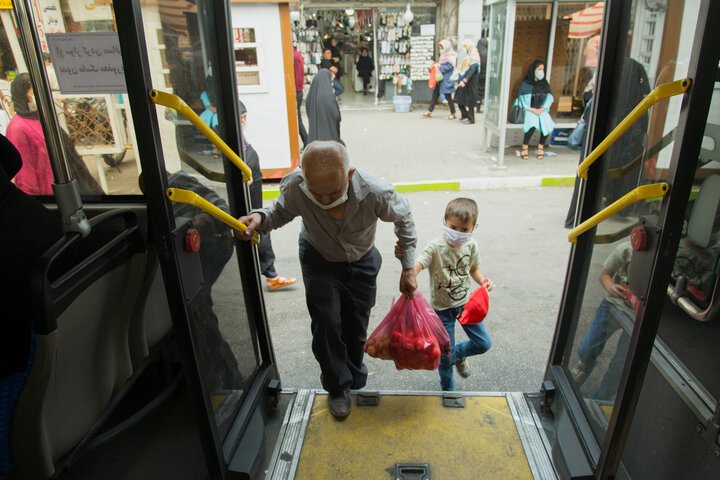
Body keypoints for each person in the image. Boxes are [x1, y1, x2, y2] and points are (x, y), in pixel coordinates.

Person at [234, 140, 418, 420]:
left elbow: (404, 219)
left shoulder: (375, 192)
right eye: (316, 193)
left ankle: (354, 374)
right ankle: (337, 386)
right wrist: (260, 218)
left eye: (333, 192)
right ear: (303, 176)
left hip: (362, 259)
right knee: (326, 321)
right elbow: (280, 212)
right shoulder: (296, 186)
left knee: (356, 325)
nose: (324, 200)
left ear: (350, 175)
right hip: (318, 258)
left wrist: (408, 268)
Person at [408, 198, 494, 391]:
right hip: (442, 311)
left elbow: (474, 269)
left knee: (483, 343)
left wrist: (483, 281)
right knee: (445, 359)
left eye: (464, 229)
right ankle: (448, 391)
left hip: (466, 306)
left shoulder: (471, 246)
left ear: (474, 227)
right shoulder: (435, 247)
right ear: (444, 222)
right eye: (453, 227)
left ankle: (458, 354)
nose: (458, 233)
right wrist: (410, 276)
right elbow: (419, 263)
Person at [5, 73, 102, 195]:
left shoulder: (42, 117)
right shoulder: (17, 128)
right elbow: (25, 175)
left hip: (70, 184)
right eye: (34, 92)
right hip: (50, 194)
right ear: (23, 95)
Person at [238, 100, 296, 291]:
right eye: (242, 117)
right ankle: (270, 274)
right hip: (248, 193)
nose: (245, 121)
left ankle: (270, 273)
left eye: (246, 117)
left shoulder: (241, 140)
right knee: (257, 226)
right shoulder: (230, 140)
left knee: (260, 224)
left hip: (253, 189)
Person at [572, 242, 635, 401]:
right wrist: (611, 287)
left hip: (637, 319)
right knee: (587, 348)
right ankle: (585, 366)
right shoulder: (627, 249)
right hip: (613, 306)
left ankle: (602, 398)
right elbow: (605, 275)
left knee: (621, 364)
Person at [517, 60, 554, 160]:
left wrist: (543, 108)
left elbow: (549, 97)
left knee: (547, 122)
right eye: (539, 69)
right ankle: (525, 147)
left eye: (543, 69)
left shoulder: (544, 83)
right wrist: (531, 110)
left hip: (541, 109)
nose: (541, 72)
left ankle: (541, 146)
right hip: (529, 110)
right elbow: (520, 100)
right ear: (533, 70)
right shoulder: (525, 84)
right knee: (532, 123)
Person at [422, 39, 457, 120]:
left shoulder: (450, 56)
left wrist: (439, 66)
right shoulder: (443, 56)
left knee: (448, 95)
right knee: (435, 94)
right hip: (440, 78)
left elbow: (449, 67)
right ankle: (429, 111)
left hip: (446, 79)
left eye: (442, 47)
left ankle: (453, 113)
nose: (440, 48)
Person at [305, 69, 343, 145]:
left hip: (314, 138)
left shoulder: (310, 98)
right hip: (330, 137)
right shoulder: (330, 97)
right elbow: (337, 116)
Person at [454, 40, 482, 125]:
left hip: (470, 81)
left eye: (465, 46)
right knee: (458, 98)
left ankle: (471, 118)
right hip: (464, 80)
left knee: (470, 100)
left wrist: (465, 80)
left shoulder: (474, 56)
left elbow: (473, 69)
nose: (464, 48)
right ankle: (465, 114)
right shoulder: (469, 56)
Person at [292, 46, 309, 148]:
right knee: (298, 118)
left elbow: (297, 77)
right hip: (298, 90)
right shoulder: (297, 55)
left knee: (297, 119)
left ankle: (306, 141)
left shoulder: (293, 56)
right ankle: (306, 141)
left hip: (296, 91)